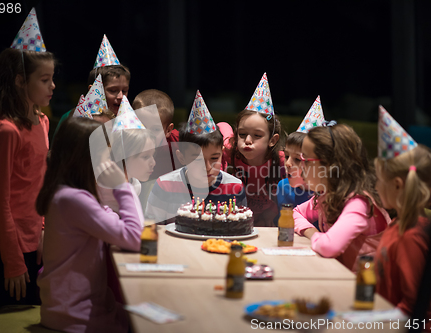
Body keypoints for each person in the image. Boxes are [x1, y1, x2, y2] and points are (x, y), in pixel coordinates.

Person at [36, 117, 143, 333]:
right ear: (86, 159)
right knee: (148, 323)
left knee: (142, 314)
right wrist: (122, 186)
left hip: (68, 308)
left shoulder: (67, 193)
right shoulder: (73, 199)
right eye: (105, 157)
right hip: (75, 317)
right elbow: (135, 237)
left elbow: (109, 218)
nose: (109, 165)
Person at [0, 47, 55, 306]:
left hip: (33, 233)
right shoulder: (7, 131)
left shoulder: (42, 121)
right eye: (44, 80)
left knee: (36, 308)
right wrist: (12, 260)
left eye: (52, 78)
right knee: (15, 311)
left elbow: (39, 184)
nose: (52, 86)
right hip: (8, 240)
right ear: (21, 81)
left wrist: (43, 228)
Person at [373, 108, 431, 331]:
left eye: (379, 180)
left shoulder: (410, 237)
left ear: (397, 185)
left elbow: (414, 309)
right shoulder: (397, 225)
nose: (376, 186)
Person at [293, 123, 391, 272]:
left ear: (330, 165)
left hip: (367, 290)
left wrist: (315, 235)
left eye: (305, 160)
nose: (301, 168)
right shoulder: (328, 194)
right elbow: (295, 213)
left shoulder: (359, 202)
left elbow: (328, 247)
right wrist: (313, 232)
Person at [146, 91, 246, 224]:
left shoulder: (235, 187)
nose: (207, 167)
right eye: (197, 160)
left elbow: (240, 229)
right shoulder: (164, 186)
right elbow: (152, 229)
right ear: (181, 158)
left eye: (214, 158)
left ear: (222, 153)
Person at [221, 73, 285, 227]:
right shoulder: (230, 151)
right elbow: (222, 125)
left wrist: (272, 212)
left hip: (265, 222)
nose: (248, 141)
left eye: (257, 135)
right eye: (242, 134)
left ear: (272, 140)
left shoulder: (282, 161)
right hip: (232, 221)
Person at [276, 131, 315, 227]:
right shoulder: (282, 187)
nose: (287, 163)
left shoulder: (326, 195)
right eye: (287, 156)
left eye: (297, 159)